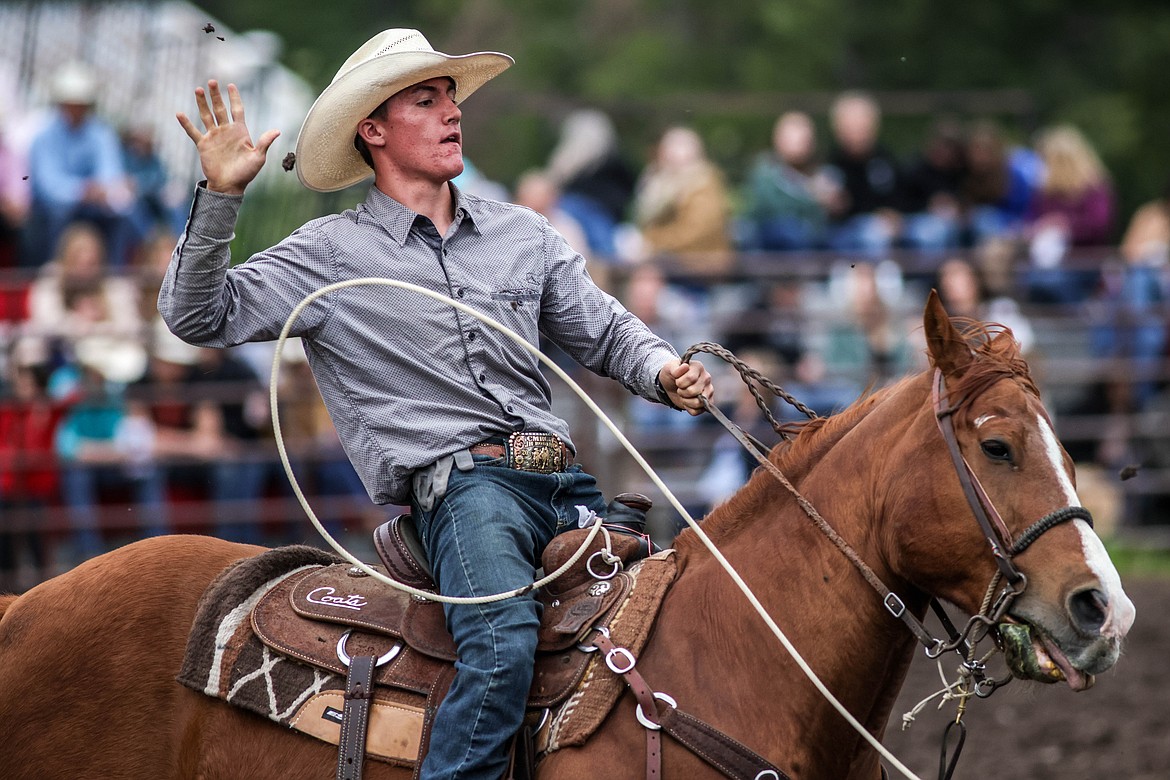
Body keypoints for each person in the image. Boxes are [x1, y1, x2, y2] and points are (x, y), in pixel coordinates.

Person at [160, 28, 713, 780]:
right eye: (426, 100)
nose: (452, 113)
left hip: (565, 485)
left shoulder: (524, 234)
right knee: (500, 647)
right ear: (374, 130)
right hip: (466, 495)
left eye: (451, 97)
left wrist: (662, 370)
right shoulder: (330, 254)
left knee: (676, 624)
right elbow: (200, 316)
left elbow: (607, 330)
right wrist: (222, 195)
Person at [23, 61, 135, 267]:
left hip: (92, 206)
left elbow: (110, 171)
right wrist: (83, 191)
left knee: (122, 217)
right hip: (54, 210)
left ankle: (113, 275)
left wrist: (103, 190)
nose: (76, 109)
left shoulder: (101, 133)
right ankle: (53, 272)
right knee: (55, 216)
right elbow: (49, 187)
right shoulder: (44, 136)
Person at [1023, 124, 1116, 305]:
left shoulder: (1095, 188)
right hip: (1047, 260)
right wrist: (1034, 229)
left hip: (1083, 262)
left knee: (1048, 282)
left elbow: (1100, 225)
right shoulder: (1044, 191)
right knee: (1033, 280)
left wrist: (1065, 224)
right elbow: (1031, 219)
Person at [631, 125, 733, 272]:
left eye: (678, 147)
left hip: (701, 264)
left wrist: (651, 241)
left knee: (646, 276)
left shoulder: (703, 184)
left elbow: (694, 233)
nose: (671, 154)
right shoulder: (660, 183)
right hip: (671, 260)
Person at [738, 110, 837, 251]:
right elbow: (769, 210)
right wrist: (813, 197)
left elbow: (824, 220)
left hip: (814, 244)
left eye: (804, 140)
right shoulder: (764, 172)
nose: (800, 145)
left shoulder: (824, 172)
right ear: (778, 140)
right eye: (793, 139)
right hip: (770, 244)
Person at [822, 91, 904, 257]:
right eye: (851, 127)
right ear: (838, 129)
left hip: (883, 229)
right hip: (841, 232)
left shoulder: (885, 159)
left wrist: (895, 215)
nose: (857, 133)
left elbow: (900, 200)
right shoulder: (829, 164)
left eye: (862, 126)